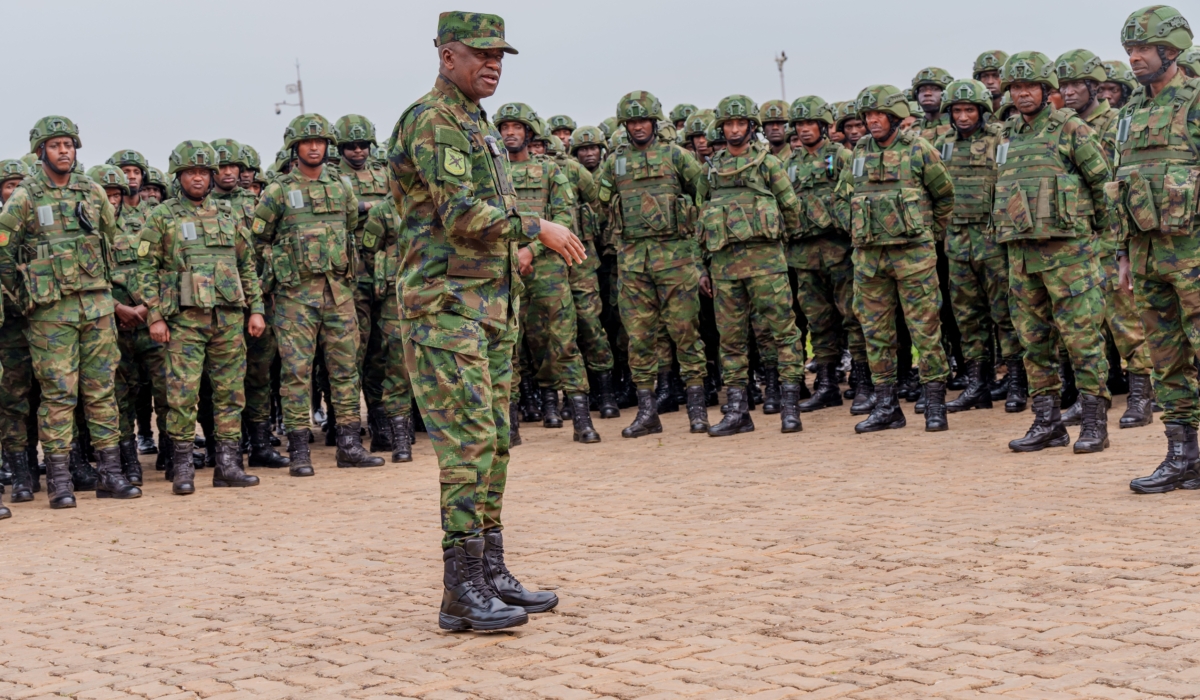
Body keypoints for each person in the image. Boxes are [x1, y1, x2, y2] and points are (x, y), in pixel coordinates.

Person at [387, 11, 586, 631]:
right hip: (445, 309)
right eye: (480, 53)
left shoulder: (477, 122)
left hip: (489, 307)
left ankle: (490, 570)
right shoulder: (434, 120)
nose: (493, 63)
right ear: (447, 56)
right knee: (467, 444)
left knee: (495, 442)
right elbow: (462, 215)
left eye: (500, 54)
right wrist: (537, 227)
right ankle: (459, 590)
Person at [0, 116, 141, 508]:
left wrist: (109, 296)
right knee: (59, 396)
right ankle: (60, 480)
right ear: (40, 151)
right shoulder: (25, 196)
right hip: (50, 315)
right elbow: (4, 254)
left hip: (95, 309)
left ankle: (110, 474)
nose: (64, 151)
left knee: (101, 392)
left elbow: (110, 245)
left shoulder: (92, 192)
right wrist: (24, 296)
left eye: (69, 144)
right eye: (56, 145)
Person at [993, 51, 1114, 454]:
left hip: (1070, 255)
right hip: (1022, 256)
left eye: (1030, 87)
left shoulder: (1071, 129)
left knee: (1082, 339)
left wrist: (1101, 242)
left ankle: (1095, 423)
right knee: (1033, 342)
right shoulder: (1008, 135)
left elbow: (1103, 186)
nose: (1022, 94)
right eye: (1016, 87)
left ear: (1047, 91)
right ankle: (1047, 422)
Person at [251, 113, 383, 475]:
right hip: (295, 297)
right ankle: (299, 452)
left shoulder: (342, 187)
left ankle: (350, 445)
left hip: (338, 293)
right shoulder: (278, 190)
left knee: (345, 370)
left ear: (328, 146)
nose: (314, 147)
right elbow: (257, 239)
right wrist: (280, 263)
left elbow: (352, 230)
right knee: (296, 373)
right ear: (295, 147)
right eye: (307, 142)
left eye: (320, 142)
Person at [139, 140, 265, 495]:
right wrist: (155, 316)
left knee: (230, 393)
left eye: (203, 172)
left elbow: (247, 266)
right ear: (178, 176)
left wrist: (256, 309)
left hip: (227, 319)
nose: (197, 178)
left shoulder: (228, 216)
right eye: (190, 172)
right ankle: (182, 469)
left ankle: (228, 465)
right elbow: (144, 269)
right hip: (184, 321)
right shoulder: (162, 216)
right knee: (182, 394)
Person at [1111, 7, 1200, 492]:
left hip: (1195, 253)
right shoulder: (1130, 113)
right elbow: (1120, 187)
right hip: (1146, 256)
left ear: (1172, 49)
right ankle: (1182, 457)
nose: (1135, 58)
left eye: (1143, 48)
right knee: (1167, 359)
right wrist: (1123, 255)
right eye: (1130, 50)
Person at [594, 91, 710, 437]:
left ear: (655, 122)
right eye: (632, 122)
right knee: (639, 339)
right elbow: (600, 203)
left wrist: (694, 245)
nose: (638, 126)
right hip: (632, 263)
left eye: (644, 120)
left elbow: (703, 194)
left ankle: (697, 411)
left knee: (686, 333)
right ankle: (647, 413)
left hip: (675, 259)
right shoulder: (615, 162)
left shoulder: (677, 156)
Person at [1054, 49, 1155, 429]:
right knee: (1084, 327)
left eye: (1077, 84)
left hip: (1110, 235)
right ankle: (1091, 398)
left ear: (1094, 86)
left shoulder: (1117, 121)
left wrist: (1120, 238)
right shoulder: (1060, 126)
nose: (1070, 91)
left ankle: (1141, 395)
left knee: (1124, 319)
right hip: (1075, 239)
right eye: (1063, 85)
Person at [847, 85, 955, 434]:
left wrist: (927, 234)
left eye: (879, 115)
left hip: (914, 259)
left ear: (895, 116)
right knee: (875, 333)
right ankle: (887, 407)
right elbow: (842, 196)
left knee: (925, 330)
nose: (872, 121)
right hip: (869, 260)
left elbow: (945, 196)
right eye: (867, 116)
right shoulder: (859, 151)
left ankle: (935, 405)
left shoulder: (918, 149)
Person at [700, 94, 805, 436]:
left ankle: (790, 407)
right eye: (728, 124)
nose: (733, 129)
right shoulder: (712, 168)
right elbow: (700, 218)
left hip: (767, 266)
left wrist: (777, 249)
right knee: (730, 340)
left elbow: (791, 210)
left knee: (783, 333)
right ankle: (738, 412)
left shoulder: (767, 163)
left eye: (740, 123)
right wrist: (703, 266)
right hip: (725, 267)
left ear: (750, 127)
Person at [495, 102, 599, 443]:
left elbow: (565, 219)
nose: (510, 132)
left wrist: (532, 249)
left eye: (516, 127)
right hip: (503, 270)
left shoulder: (551, 172)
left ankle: (582, 420)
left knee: (564, 341)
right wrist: (515, 252)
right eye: (504, 127)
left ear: (529, 132)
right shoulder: (491, 174)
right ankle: (509, 426)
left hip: (550, 270)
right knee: (507, 347)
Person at [933, 79, 1026, 415]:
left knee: (1005, 313)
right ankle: (977, 385)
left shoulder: (1001, 137)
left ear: (982, 111)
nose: (962, 116)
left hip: (993, 240)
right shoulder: (941, 143)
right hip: (957, 241)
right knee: (967, 316)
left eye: (969, 109)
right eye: (956, 110)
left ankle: (1016, 382)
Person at [782, 96, 869, 414]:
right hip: (804, 255)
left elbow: (856, 196)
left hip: (840, 250)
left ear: (823, 126)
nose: (804, 130)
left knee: (853, 317)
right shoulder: (789, 163)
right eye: (800, 125)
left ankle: (862, 382)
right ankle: (828, 384)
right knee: (818, 322)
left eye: (810, 124)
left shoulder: (842, 155)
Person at [334, 114, 394, 453]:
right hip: (352, 273)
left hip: (384, 270)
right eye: (350, 146)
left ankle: (381, 419)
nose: (358, 151)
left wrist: (367, 207)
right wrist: (373, 206)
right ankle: (345, 424)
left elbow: (400, 206)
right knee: (353, 351)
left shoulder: (384, 174)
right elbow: (340, 213)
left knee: (383, 352)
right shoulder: (334, 179)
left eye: (362, 145)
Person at [0, 160, 35, 512]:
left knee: (45, 395)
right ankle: (19, 471)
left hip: (41, 321)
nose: (14, 192)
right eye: (8, 186)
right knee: (12, 399)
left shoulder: (40, 227)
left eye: (19, 186)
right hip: (9, 327)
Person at [910, 67, 955, 143]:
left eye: (935, 89)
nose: (927, 93)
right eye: (922, 90)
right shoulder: (912, 130)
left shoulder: (958, 126)